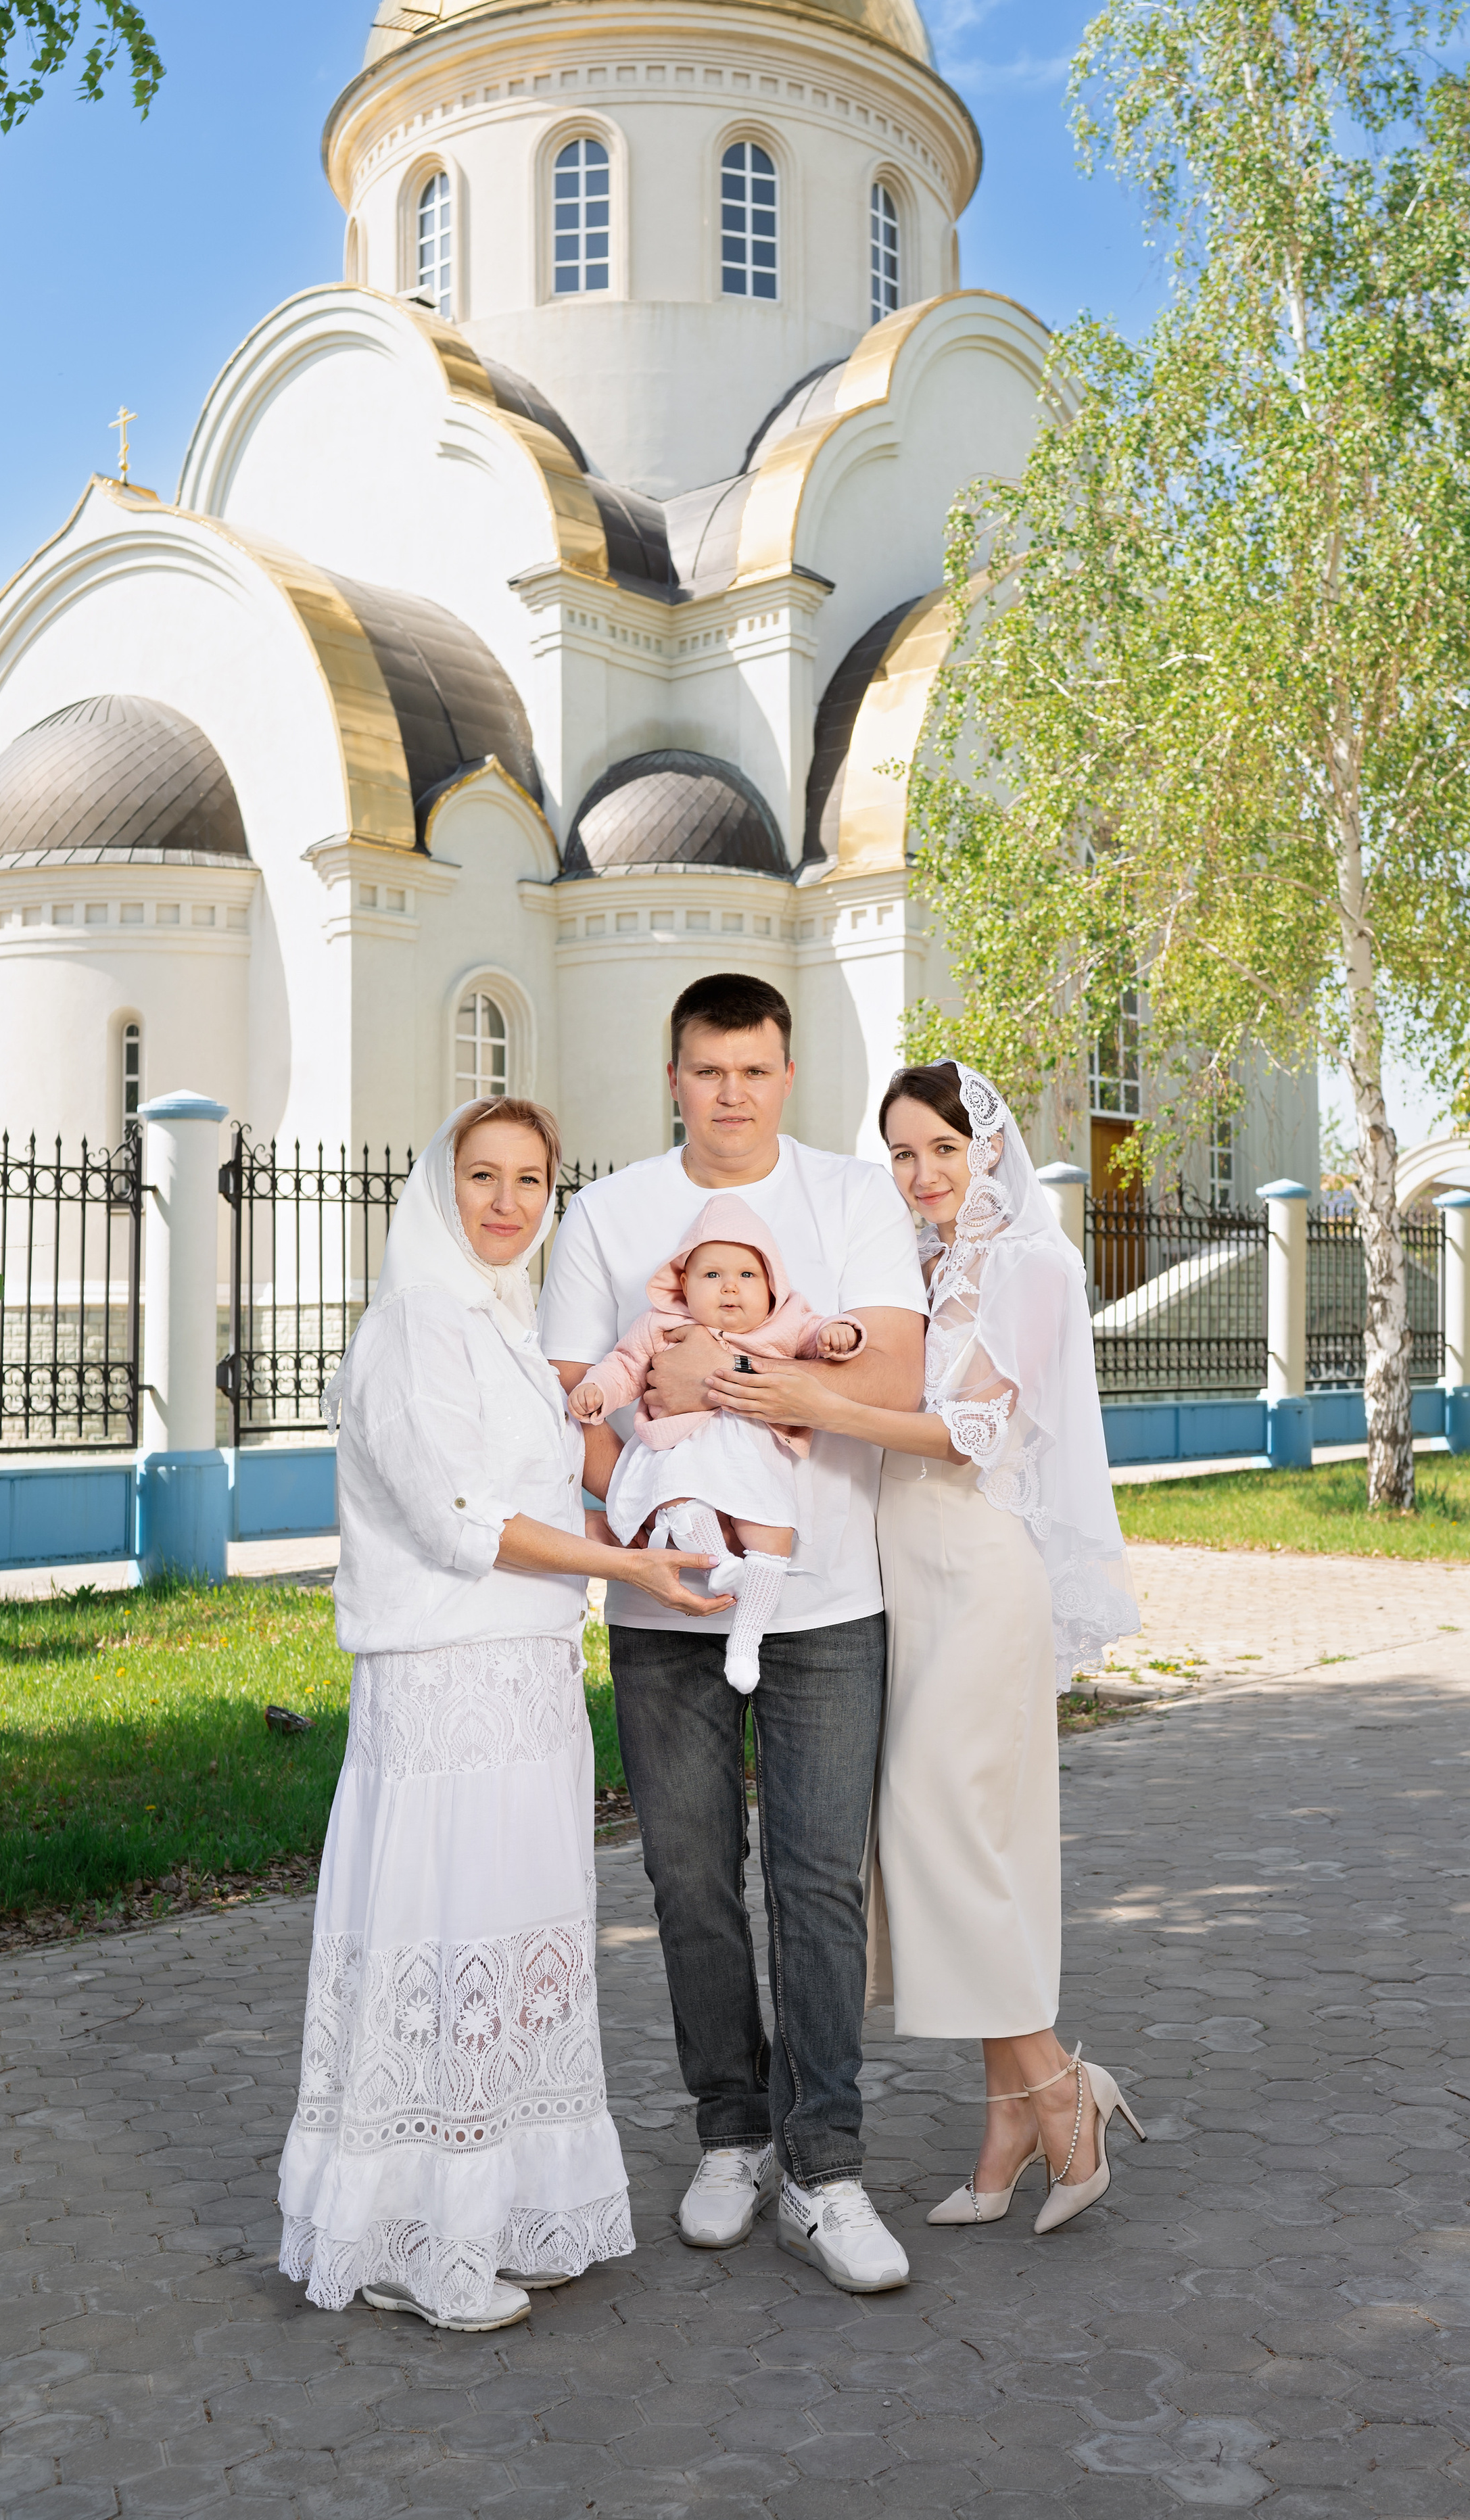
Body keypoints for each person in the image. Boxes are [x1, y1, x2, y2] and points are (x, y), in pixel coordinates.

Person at [277, 1095, 728, 2336]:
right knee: (446, 1935)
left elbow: (570, 1477)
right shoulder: (418, 1323)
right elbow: (455, 1517)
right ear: (441, 1184)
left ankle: (508, 2207)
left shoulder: (508, 1328)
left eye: (533, 1178)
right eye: (484, 1174)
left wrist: (687, 1505)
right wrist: (632, 1569)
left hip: (526, 1676)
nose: (509, 1201)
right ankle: (417, 2238)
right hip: (444, 1681)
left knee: (518, 1938)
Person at [709, 1060, 1146, 2235]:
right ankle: (1012, 2113)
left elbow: (966, 1431)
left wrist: (811, 1397)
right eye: (901, 1154)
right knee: (942, 1845)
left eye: (942, 1149)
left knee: (934, 1819)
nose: (922, 1174)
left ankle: (1061, 2088)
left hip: (980, 1568)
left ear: (988, 1143)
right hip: (910, 1580)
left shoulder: (1038, 1267)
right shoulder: (922, 1266)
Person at [540, 974, 927, 2296]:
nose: (731, 1094)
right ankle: (730, 2132)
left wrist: (728, 1379)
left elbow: (890, 1375)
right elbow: (577, 1416)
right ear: (673, 1077)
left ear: (785, 1073)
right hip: (665, 1603)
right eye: (708, 1071)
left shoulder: (850, 1197)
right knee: (689, 1883)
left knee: (815, 1883)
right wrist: (633, 1521)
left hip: (824, 1599)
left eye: (754, 1070)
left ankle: (827, 2171)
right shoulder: (606, 1215)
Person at [567, 1191, 866, 1692]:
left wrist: (839, 1332)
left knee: (773, 1532)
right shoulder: (661, 1326)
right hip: (682, 1447)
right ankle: (722, 1565)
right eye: (712, 1275)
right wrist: (598, 1389)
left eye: (747, 1275)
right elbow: (624, 1364)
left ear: (772, 1284)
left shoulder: (784, 1323)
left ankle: (745, 1640)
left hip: (754, 1453)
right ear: (683, 1283)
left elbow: (816, 1337)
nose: (730, 1287)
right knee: (678, 1494)